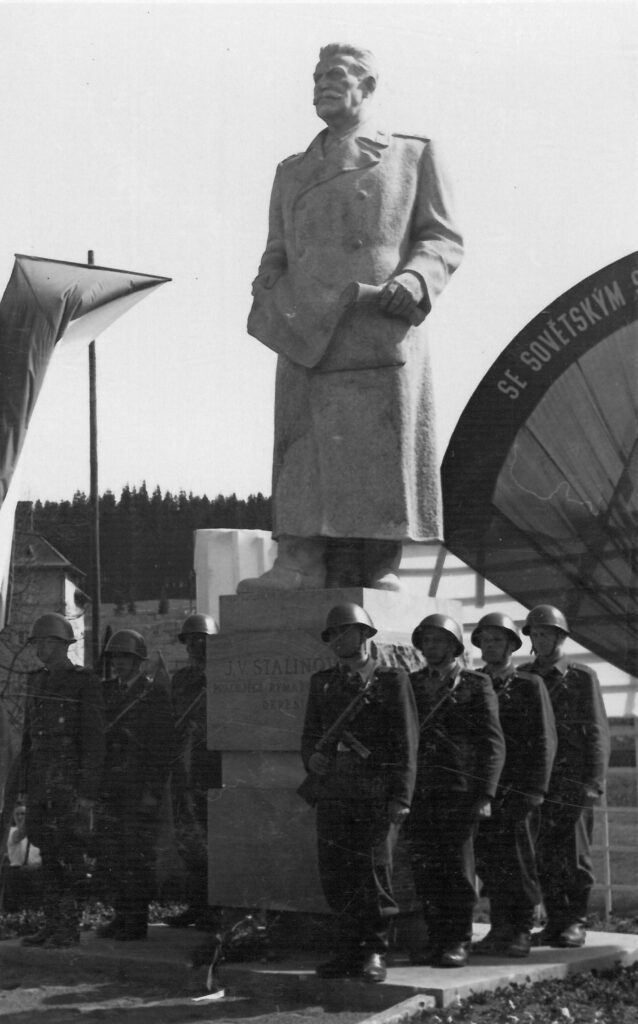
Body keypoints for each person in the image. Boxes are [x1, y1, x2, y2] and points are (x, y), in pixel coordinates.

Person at [239, 43, 463, 593]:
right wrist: (267, 287)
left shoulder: (411, 155)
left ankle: (380, 566)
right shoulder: (291, 172)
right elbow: (278, 249)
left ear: (368, 85)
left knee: (377, 450)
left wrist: (414, 281)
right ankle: (298, 559)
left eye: (336, 75)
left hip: (378, 320)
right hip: (304, 325)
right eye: (316, 76)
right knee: (302, 446)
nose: (322, 84)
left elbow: (442, 237)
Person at [300, 603, 418, 982]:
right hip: (335, 791)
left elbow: (406, 744)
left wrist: (401, 797)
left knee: (373, 874)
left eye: (344, 632)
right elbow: (310, 736)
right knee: (336, 874)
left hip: (374, 793)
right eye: (332, 635)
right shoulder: (323, 682)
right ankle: (348, 951)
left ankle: (374, 953)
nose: (337, 640)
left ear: (365, 635)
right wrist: (312, 760)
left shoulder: (391, 681)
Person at [407, 614, 505, 968]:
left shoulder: (476, 684)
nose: (431, 647)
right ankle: (436, 940)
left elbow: (493, 743)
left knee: (458, 870)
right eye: (426, 641)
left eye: (438, 641)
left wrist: (486, 795)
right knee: (427, 870)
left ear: (453, 646)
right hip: (421, 790)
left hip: (460, 791)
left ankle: (458, 941)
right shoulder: (412, 683)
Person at [519, 605, 609, 948]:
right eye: (535, 635)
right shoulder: (526, 676)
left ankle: (576, 921)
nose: (541, 641)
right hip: (537, 781)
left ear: (560, 637)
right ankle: (556, 921)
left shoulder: (581, 676)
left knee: (574, 854)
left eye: (546, 634)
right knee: (544, 853)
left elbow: (598, 731)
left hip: (572, 780)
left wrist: (594, 782)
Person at [471, 613, 556, 958]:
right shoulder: (472, 682)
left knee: (519, 859)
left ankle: (521, 929)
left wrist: (536, 788)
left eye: (497, 640)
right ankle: (499, 928)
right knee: (489, 860)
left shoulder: (528, 684)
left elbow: (544, 738)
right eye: (485, 640)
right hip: (483, 788)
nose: (491, 646)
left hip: (518, 789)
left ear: (511, 645)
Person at [19, 612, 105, 948]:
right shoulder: (36, 682)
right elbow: (29, 739)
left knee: (69, 856)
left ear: (63, 645)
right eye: (37, 642)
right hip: (42, 785)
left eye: (47, 642)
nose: (41, 648)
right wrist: (25, 788)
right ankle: (51, 923)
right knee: (46, 854)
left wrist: (87, 794)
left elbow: (94, 741)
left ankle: (68, 926)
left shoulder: (83, 682)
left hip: (69, 786)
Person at [95, 629, 174, 941]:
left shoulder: (153, 695)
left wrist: (152, 791)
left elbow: (163, 748)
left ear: (139, 661)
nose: (119, 663)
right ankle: (120, 915)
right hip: (111, 785)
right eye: (115, 657)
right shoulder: (105, 691)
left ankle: (136, 920)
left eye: (126, 658)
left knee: (137, 855)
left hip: (138, 786)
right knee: (111, 853)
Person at [166, 612, 220, 930]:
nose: (196, 645)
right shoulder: (182, 679)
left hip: (211, 765)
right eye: (191, 640)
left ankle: (214, 908)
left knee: (213, 837)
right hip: (183, 766)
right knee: (188, 839)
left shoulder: (224, 677)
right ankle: (196, 905)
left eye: (202, 639)